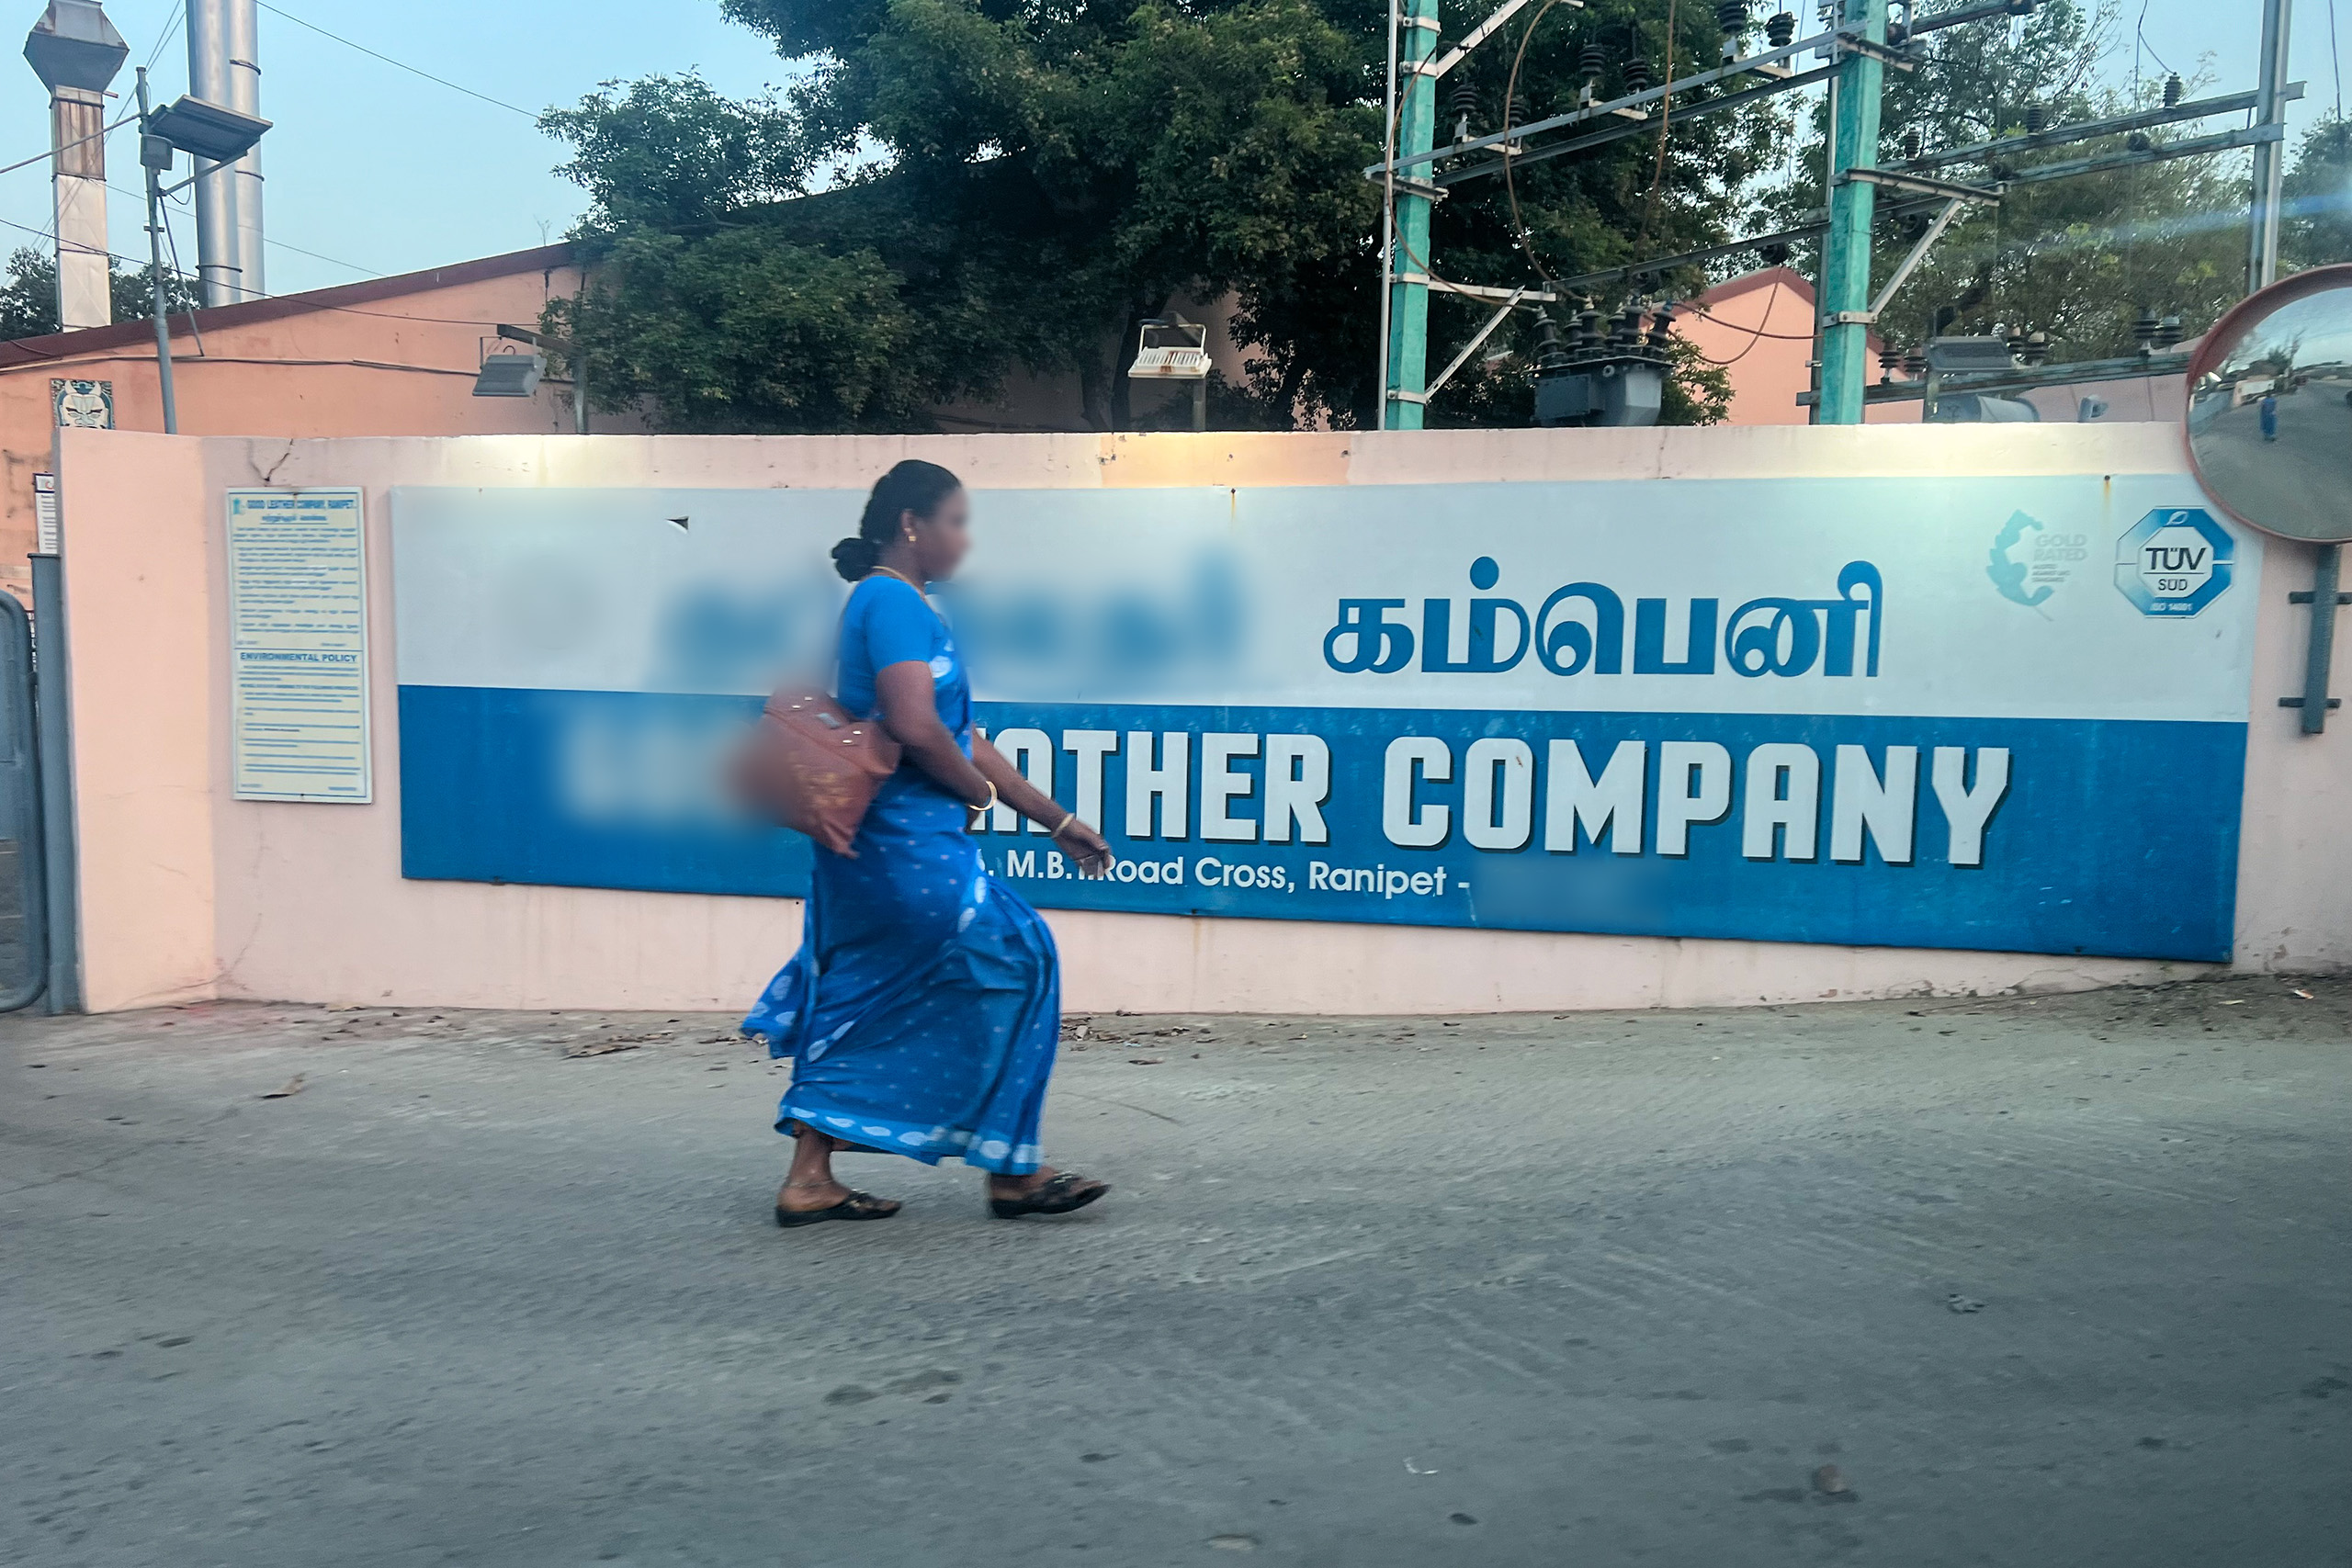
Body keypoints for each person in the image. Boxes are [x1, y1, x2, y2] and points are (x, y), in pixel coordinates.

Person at [742, 460, 1117, 1229]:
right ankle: (1011, 1170)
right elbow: (918, 728)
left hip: (891, 846)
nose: (963, 538)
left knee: (871, 991)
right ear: (911, 524)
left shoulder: (900, 605)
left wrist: (1053, 817)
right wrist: (972, 794)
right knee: (1020, 957)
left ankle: (812, 1175)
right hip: (902, 846)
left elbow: (960, 736)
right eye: (954, 520)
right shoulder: (890, 602)